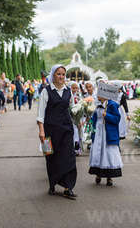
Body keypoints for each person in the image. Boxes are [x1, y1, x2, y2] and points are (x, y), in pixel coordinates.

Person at [37, 64, 77, 200]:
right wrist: (41, 130)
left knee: (69, 157)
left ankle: (68, 187)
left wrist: (83, 111)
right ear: (53, 75)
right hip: (50, 130)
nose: (61, 77)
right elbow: (40, 113)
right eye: (58, 74)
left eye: (63, 74)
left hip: (66, 129)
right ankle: (52, 184)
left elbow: (72, 109)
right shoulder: (46, 91)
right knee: (51, 157)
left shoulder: (68, 91)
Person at [89, 91, 123, 187]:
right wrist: (91, 123)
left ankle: (109, 177)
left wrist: (107, 116)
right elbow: (94, 118)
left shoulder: (112, 105)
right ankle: (98, 174)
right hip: (98, 131)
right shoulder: (97, 105)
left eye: (99, 94)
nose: (97, 96)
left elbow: (117, 119)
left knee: (108, 153)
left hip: (108, 133)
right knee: (98, 152)